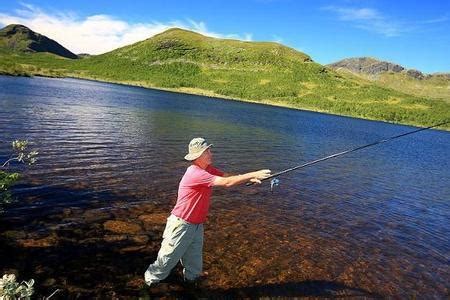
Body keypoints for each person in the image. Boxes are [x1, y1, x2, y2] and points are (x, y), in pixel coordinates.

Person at [144, 137, 271, 286]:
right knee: (165, 261)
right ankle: (147, 284)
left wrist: (249, 179)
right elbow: (227, 183)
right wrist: (253, 173)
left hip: (196, 226)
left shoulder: (207, 169)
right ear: (198, 156)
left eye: (209, 150)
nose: (211, 153)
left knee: (194, 263)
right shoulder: (195, 173)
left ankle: (192, 284)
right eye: (207, 151)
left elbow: (226, 176)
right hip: (181, 225)